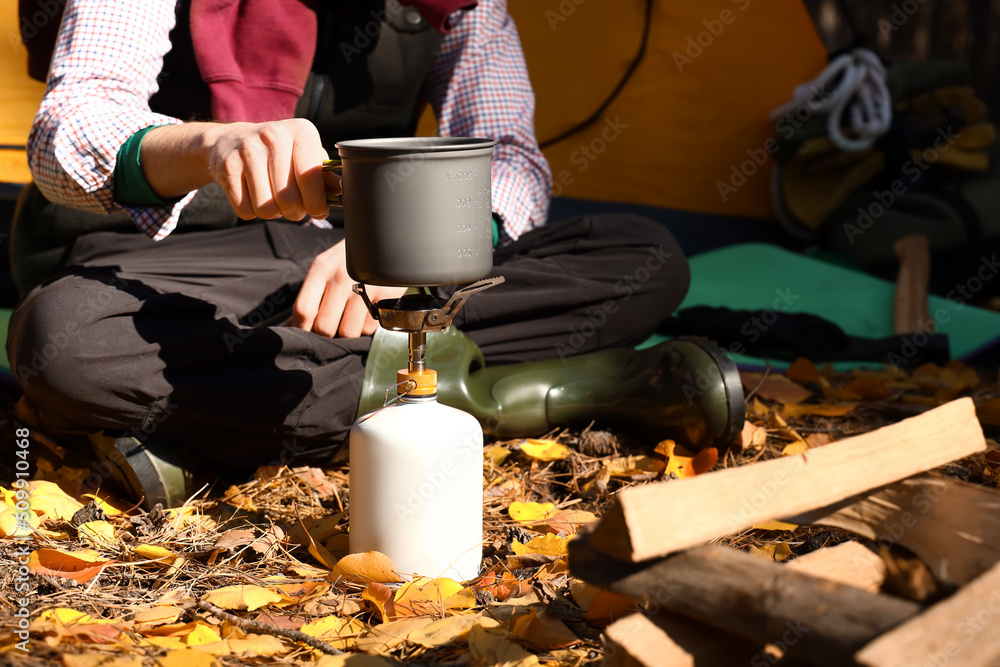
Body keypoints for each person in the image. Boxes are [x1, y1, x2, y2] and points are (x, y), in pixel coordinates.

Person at [9, 0, 742, 506]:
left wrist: (417, 251)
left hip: (336, 264)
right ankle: (478, 394)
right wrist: (209, 146)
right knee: (64, 340)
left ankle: (210, 427)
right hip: (164, 269)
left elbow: (513, 162)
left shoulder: (460, 5)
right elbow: (67, 130)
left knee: (641, 254)